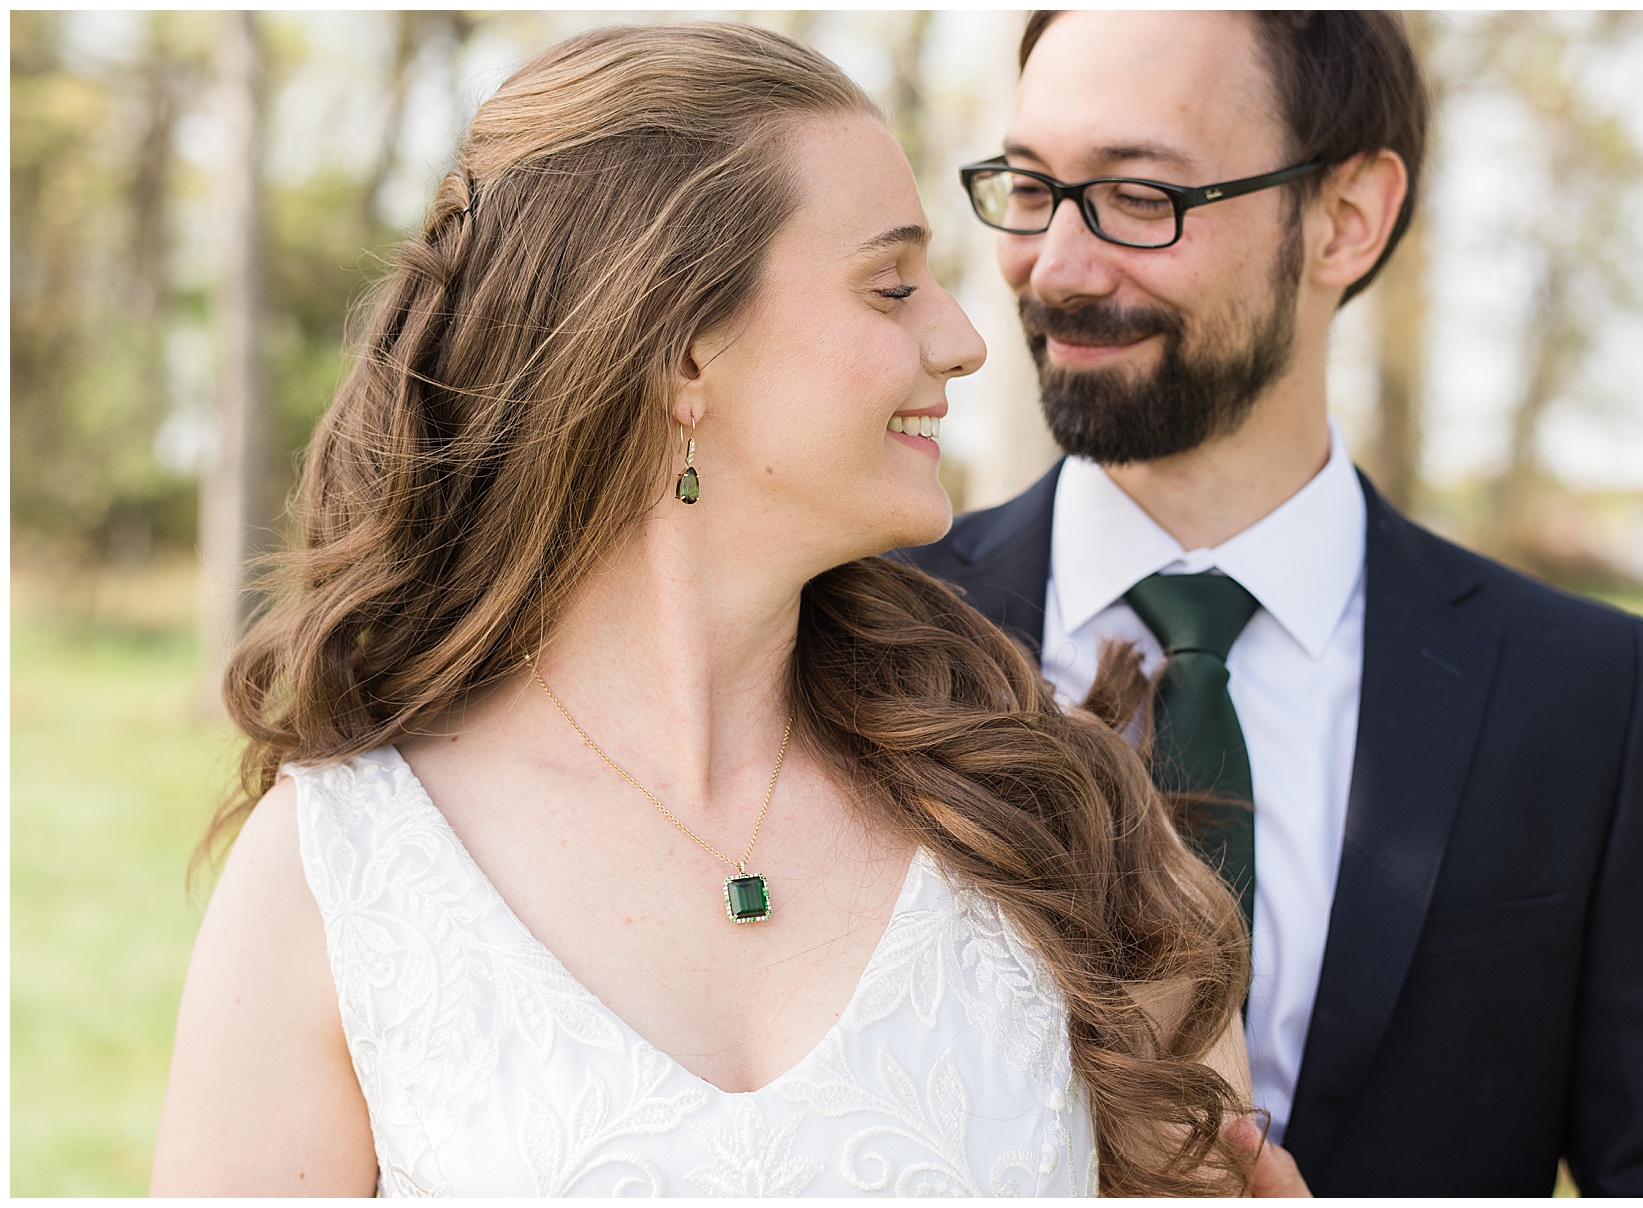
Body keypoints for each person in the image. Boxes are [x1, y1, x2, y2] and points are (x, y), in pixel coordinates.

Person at [149, 22, 1304, 1198]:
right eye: (892, 284)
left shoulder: (1067, 817)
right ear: (684, 350)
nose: (961, 339)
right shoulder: (338, 874)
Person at [901, 9, 1643, 1197]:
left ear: (1347, 218)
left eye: (1139, 195)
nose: (1054, 266)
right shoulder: (872, 633)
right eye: (1030, 187)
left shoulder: (1580, 688)